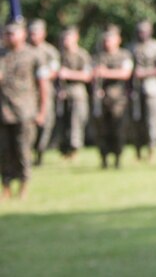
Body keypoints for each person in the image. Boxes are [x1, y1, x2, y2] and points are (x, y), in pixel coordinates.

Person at [0, 20, 49, 199]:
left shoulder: (33, 55)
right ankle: (5, 184)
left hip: (24, 111)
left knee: (23, 150)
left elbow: (43, 86)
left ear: (22, 35)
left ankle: (23, 184)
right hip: (3, 111)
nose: (8, 36)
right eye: (6, 33)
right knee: (4, 151)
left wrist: (42, 111)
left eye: (12, 33)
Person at [92, 24, 133, 169]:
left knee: (118, 130)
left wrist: (105, 73)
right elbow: (93, 74)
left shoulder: (124, 55)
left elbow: (125, 74)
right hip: (102, 100)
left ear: (118, 40)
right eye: (105, 39)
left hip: (118, 100)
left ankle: (117, 159)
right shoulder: (99, 56)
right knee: (102, 131)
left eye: (110, 39)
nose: (107, 42)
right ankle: (103, 159)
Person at [129, 18, 156, 161]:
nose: (141, 34)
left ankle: (151, 151)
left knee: (152, 121)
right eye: (139, 31)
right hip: (135, 90)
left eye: (144, 31)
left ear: (150, 31)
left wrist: (145, 73)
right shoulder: (131, 47)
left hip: (152, 88)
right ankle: (137, 152)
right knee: (136, 121)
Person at [56, 25, 93, 161]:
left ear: (76, 38)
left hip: (77, 93)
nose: (66, 40)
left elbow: (87, 76)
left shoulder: (82, 55)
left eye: (69, 37)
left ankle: (74, 150)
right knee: (63, 124)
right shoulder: (60, 55)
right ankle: (64, 151)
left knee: (76, 123)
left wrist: (68, 74)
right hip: (63, 94)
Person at [26, 18, 59, 165]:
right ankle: (27, 153)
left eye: (36, 32)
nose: (33, 35)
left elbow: (54, 70)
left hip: (45, 92)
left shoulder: (50, 51)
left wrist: (42, 75)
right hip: (27, 95)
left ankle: (40, 152)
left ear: (43, 33)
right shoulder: (25, 50)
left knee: (46, 124)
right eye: (31, 32)